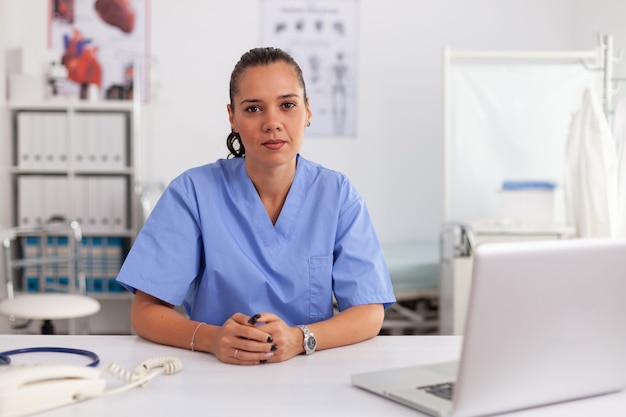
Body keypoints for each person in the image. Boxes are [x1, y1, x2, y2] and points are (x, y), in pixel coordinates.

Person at [116, 47, 395, 365]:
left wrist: (299, 339)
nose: (272, 123)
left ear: (307, 112)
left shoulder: (337, 195)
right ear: (232, 117)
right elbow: (145, 311)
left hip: (309, 372)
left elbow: (369, 312)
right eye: (253, 109)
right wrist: (213, 339)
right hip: (213, 373)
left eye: (287, 105)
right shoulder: (192, 193)